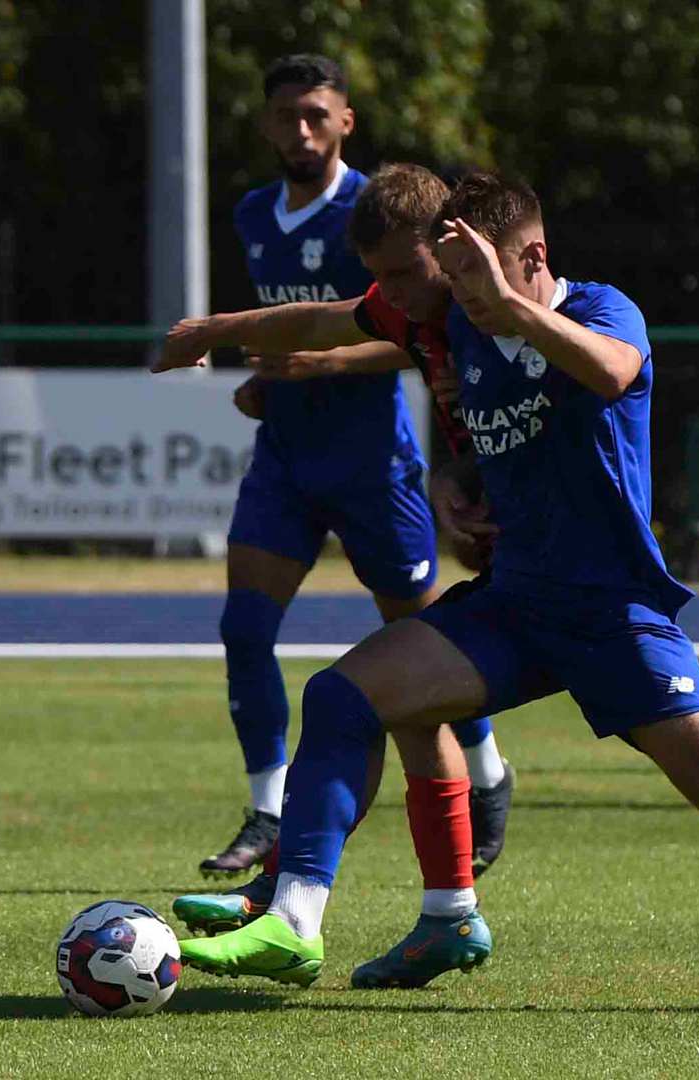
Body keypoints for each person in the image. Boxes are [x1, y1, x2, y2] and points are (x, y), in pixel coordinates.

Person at [161, 170, 699, 1013]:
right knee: (341, 697)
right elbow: (331, 317)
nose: (450, 297)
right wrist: (212, 329)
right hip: (514, 606)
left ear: (530, 258)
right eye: (451, 277)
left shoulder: (599, 311)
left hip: (614, 615)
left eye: (474, 275)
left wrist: (511, 313)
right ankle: (295, 922)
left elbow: (617, 373)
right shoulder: (454, 314)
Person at [175, 57, 514, 934]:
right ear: (266, 122)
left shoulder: (388, 214)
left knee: (426, 645)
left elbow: (407, 331)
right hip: (288, 458)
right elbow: (296, 328)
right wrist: (268, 382)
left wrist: (321, 364)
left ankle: (487, 771)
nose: (300, 131)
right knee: (245, 628)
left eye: (315, 115)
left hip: (373, 466)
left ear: (347, 121)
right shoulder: (254, 214)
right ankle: (267, 809)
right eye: (284, 115)